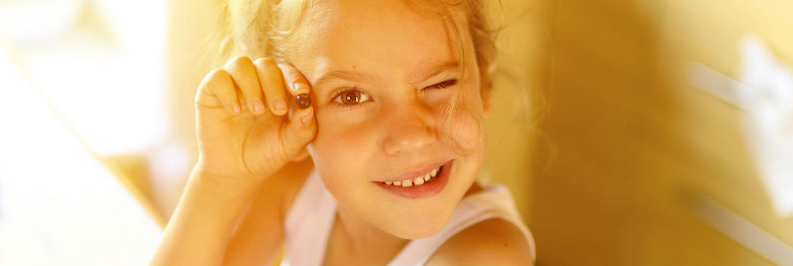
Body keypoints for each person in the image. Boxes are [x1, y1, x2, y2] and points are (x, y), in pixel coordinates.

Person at [151, 0, 535, 265]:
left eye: (440, 84)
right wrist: (219, 179)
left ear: (483, 84)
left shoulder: (485, 255)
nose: (410, 136)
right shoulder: (296, 184)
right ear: (289, 107)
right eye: (351, 96)